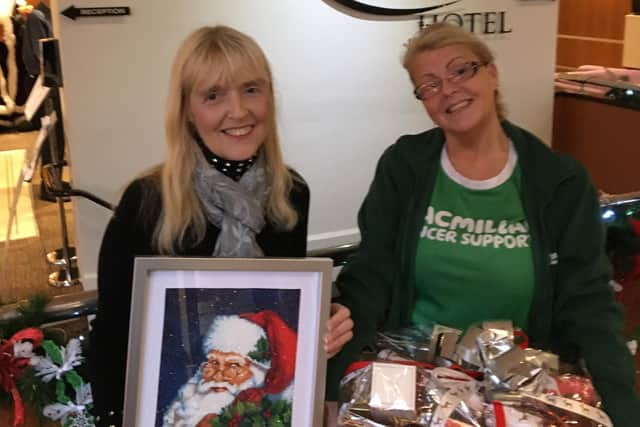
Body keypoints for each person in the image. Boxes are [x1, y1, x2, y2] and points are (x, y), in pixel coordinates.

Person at [326, 22, 640, 425]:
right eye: (430, 84)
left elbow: (589, 303)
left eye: (462, 70)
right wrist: (333, 385)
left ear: (491, 73)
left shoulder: (559, 181)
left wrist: (623, 407)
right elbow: (370, 278)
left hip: (520, 393)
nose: (449, 89)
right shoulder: (404, 167)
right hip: (413, 386)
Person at [88, 26, 354, 426]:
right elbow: (111, 336)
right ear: (188, 111)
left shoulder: (291, 193)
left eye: (251, 89)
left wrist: (318, 325)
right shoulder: (147, 203)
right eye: (214, 96)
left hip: (259, 408)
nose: (239, 110)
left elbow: (279, 317)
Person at [163, 311, 296, 427]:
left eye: (233, 365)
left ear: (258, 373)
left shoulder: (273, 412)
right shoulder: (189, 398)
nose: (218, 376)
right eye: (214, 362)